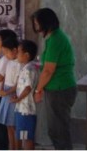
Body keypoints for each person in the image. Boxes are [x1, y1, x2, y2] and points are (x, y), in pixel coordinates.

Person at [31, 8, 77, 150]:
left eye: (37, 23)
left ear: (45, 22)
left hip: (60, 89)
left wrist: (38, 89)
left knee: (59, 131)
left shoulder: (56, 39)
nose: (36, 26)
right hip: (56, 88)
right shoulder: (53, 38)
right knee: (56, 130)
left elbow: (49, 70)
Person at [10, 40, 38, 150]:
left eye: (19, 52)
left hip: (26, 110)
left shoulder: (30, 69)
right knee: (22, 135)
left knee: (27, 137)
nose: (17, 54)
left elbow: (27, 88)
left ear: (26, 55)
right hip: (21, 109)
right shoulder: (25, 68)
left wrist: (18, 99)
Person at [0, 37, 20, 150]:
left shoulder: (19, 64)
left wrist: (6, 92)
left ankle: (16, 148)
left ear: (15, 50)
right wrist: (2, 88)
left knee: (14, 126)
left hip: (12, 95)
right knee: (8, 125)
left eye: (7, 52)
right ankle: (11, 147)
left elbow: (18, 84)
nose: (5, 54)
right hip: (6, 94)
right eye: (4, 52)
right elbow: (5, 77)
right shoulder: (9, 62)